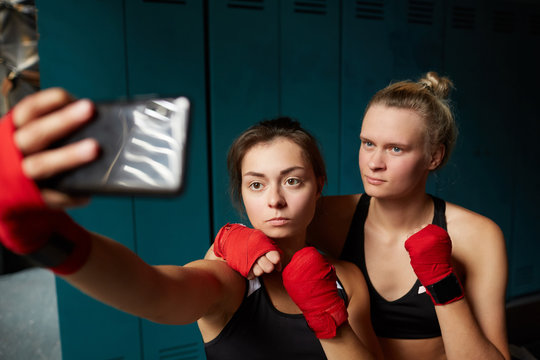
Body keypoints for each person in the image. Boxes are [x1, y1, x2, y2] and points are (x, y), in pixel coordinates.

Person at [0, 88, 382, 360]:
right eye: (256, 183)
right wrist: (47, 237)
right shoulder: (231, 278)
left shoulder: (346, 279)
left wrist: (330, 321)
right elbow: (155, 292)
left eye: (293, 180)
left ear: (319, 188)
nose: (274, 199)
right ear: (243, 194)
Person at [210, 72, 510, 359]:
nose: (374, 163)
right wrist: (229, 239)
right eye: (368, 143)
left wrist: (443, 285)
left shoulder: (477, 237)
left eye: (395, 148)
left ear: (434, 156)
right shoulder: (327, 215)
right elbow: (267, 225)